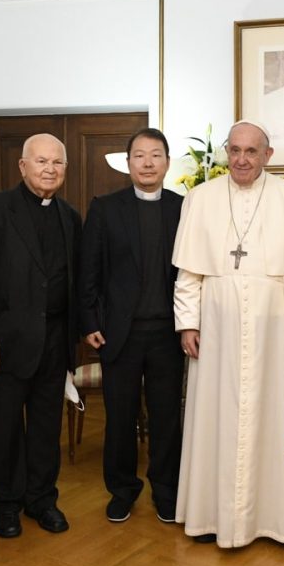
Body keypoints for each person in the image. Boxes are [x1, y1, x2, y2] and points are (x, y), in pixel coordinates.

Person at [172, 120, 284, 549]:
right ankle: (212, 515)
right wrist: (188, 321)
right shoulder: (200, 198)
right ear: (226, 151)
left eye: (251, 151)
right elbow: (189, 275)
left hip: (278, 331)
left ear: (268, 155)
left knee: (276, 415)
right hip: (218, 333)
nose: (241, 159)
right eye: (235, 150)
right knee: (216, 416)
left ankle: (281, 519)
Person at [0, 133, 82, 539]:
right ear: (23, 166)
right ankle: (6, 504)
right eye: (41, 161)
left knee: (47, 428)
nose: (50, 169)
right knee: (3, 428)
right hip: (3, 342)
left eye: (57, 163)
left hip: (54, 341)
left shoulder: (69, 216)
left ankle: (42, 500)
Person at [79, 128, 184, 524]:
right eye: (139, 156)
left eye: (155, 155)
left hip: (168, 334)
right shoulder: (105, 208)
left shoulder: (183, 207)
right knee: (120, 418)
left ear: (167, 163)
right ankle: (122, 490)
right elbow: (89, 271)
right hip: (118, 333)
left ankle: (166, 491)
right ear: (128, 163)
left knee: (165, 419)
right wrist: (89, 321)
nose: (147, 163)